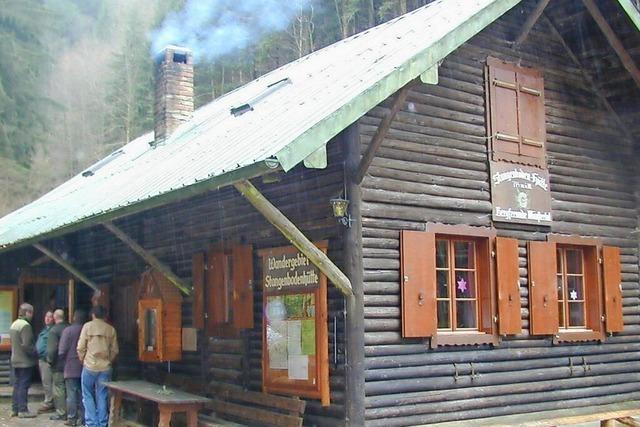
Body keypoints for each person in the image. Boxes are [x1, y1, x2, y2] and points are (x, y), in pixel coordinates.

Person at [77, 305, 118, 427]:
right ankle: (102, 423)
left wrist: (83, 360)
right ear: (105, 315)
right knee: (102, 395)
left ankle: (91, 423)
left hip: (89, 365)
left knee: (87, 394)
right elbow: (115, 350)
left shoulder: (87, 326)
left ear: (93, 315)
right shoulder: (111, 329)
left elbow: (80, 347)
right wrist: (108, 360)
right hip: (105, 367)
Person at [9, 303, 37, 418]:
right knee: (23, 385)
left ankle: (14, 409)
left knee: (16, 384)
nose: (32, 315)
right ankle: (23, 410)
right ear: (28, 312)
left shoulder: (14, 324)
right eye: (32, 313)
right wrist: (35, 353)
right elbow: (26, 345)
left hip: (15, 359)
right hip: (25, 361)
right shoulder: (25, 326)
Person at [59, 309, 86, 426]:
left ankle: (72, 418)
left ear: (74, 318)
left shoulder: (68, 331)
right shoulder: (86, 330)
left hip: (70, 366)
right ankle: (84, 417)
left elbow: (62, 350)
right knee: (84, 394)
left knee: (71, 394)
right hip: (85, 366)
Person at [47, 309, 68, 421]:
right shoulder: (69, 328)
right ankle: (72, 411)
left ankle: (61, 412)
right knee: (70, 389)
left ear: (55, 317)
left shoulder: (54, 330)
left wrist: (50, 361)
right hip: (70, 364)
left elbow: (51, 350)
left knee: (59, 389)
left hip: (58, 365)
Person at [36, 310, 54, 413]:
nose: (47, 318)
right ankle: (48, 400)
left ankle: (49, 402)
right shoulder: (44, 330)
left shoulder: (52, 331)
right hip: (41, 360)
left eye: (50, 317)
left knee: (48, 382)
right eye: (46, 316)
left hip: (46, 360)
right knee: (45, 381)